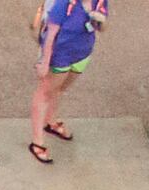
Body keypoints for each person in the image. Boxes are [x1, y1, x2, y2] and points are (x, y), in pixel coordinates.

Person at [26, 0, 106, 162]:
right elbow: (50, 35)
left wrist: (101, 21)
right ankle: (37, 142)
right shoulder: (64, 3)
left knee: (60, 88)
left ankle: (51, 121)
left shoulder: (100, 1)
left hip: (82, 54)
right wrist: (44, 62)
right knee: (45, 92)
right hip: (60, 57)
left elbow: (102, 27)